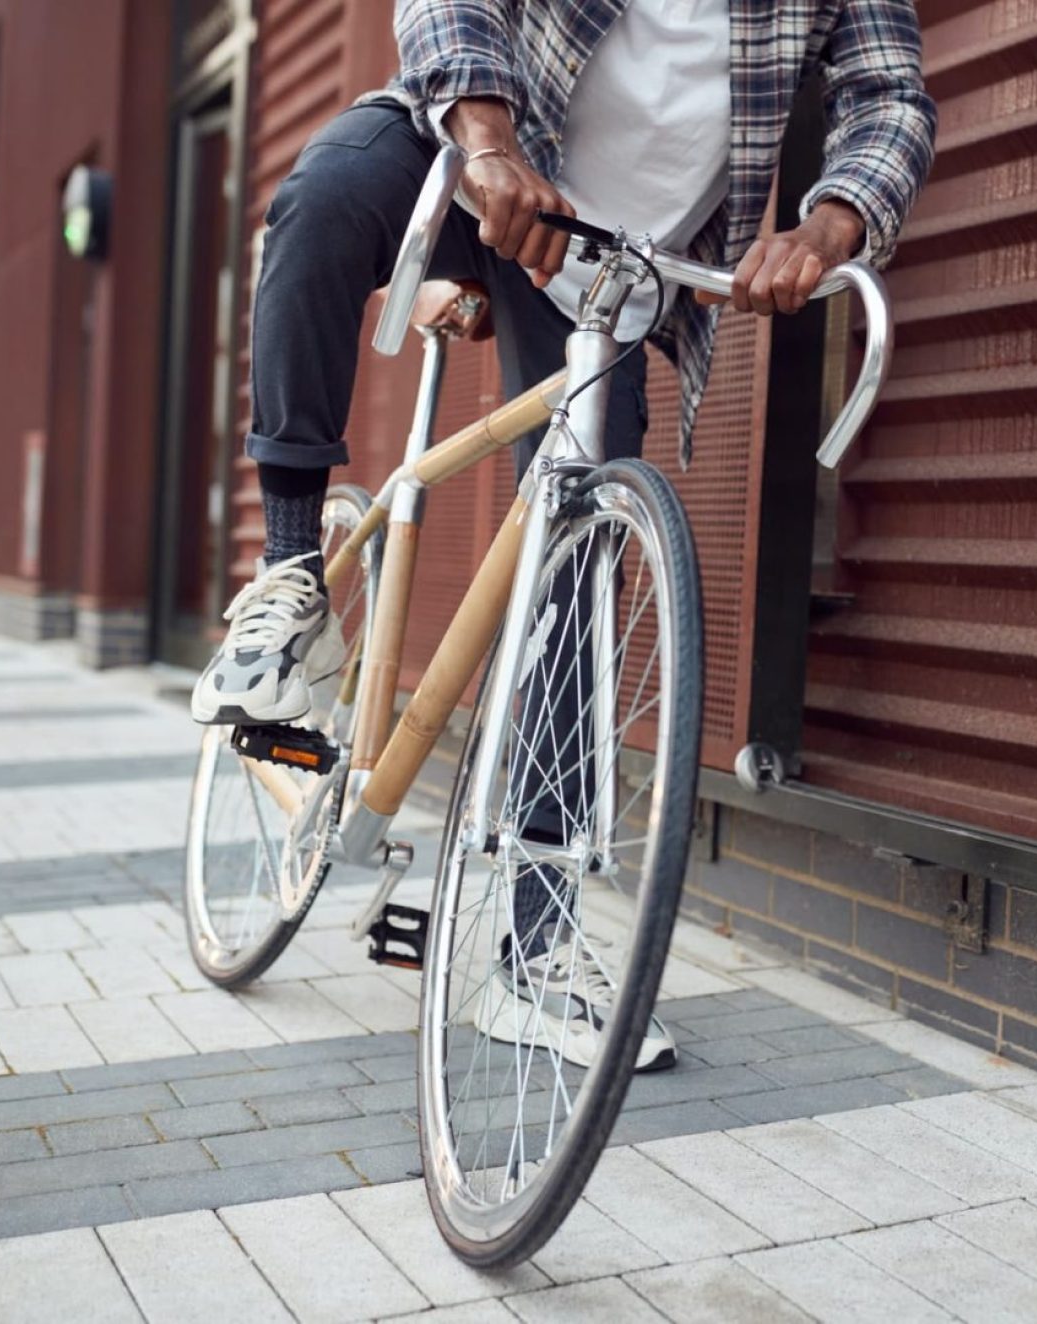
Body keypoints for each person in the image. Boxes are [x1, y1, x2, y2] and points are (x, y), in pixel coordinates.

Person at [190, 0, 935, 1068]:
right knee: (321, 196)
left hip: (611, 262)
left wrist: (828, 226)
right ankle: (292, 576)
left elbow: (889, 94)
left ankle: (533, 949)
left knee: (576, 570)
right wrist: (488, 144)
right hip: (478, 155)